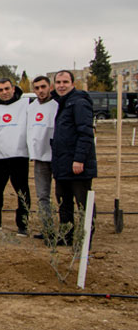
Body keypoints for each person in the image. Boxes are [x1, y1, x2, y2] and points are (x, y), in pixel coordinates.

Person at [51, 70, 96, 245]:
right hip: (62, 164)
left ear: (72, 84)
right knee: (64, 203)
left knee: (83, 204)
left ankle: (85, 240)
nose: (61, 85)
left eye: (65, 82)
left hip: (77, 165)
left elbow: (85, 133)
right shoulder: (62, 103)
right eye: (58, 82)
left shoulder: (79, 103)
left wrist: (79, 159)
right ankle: (66, 236)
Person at [0, 78, 31, 235]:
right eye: (0, 90)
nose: (4, 92)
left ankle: (23, 225)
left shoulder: (26, 104)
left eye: (7, 89)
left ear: (13, 89)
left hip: (20, 156)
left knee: (22, 192)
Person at [27, 76, 58, 239]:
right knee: (42, 196)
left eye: (43, 87)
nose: (40, 90)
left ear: (50, 87)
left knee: (62, 196)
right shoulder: (31, 108)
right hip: (39, 158)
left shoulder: (57, 105)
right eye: (37, 88)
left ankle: (66, 229)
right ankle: (47, 229)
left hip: (57, 157)